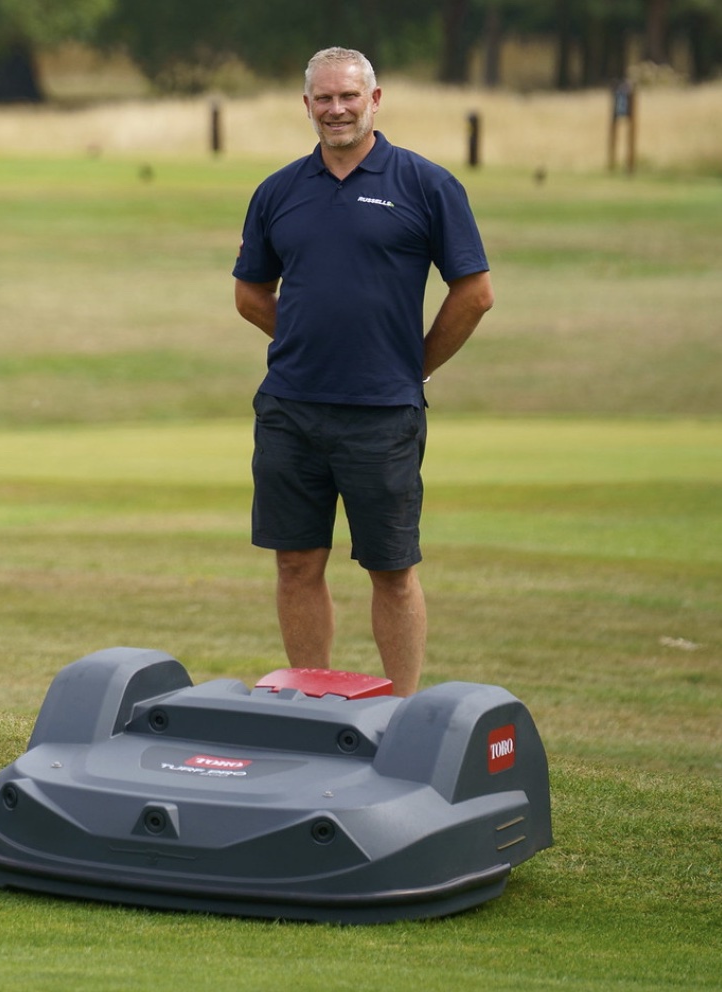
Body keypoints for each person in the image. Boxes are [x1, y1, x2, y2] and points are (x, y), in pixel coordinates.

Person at [231, 48, 494, 696]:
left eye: (349, 96)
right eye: (324, 98)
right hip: (291, 411)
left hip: (382, 414)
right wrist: (303, 341)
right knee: (296, 564)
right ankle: (310, 704)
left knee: (392, 569)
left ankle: (401, 714)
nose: (336, 109)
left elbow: (475, 291)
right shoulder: (278, 191)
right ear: (307, 105)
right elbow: (250, 294)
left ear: (375, 101)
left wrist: (412, 365)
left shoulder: (426, 185)